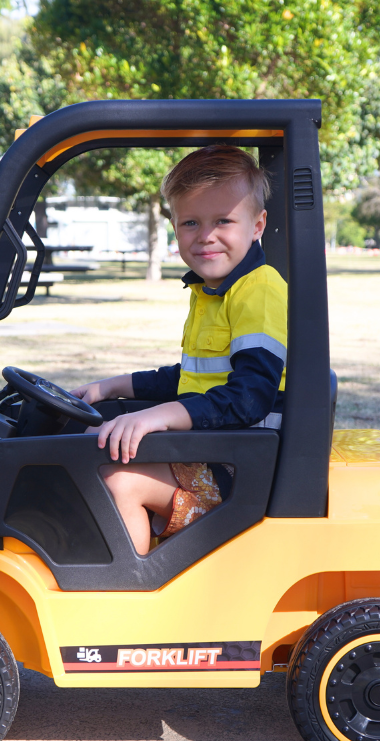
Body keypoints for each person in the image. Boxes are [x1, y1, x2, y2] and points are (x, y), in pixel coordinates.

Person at [72, 145, 287, 555]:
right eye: (191, 222)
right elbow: (193, 375)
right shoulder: (213, 291)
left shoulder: (258, 291)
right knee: (89, 441)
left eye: (223, 220)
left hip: (242, 470)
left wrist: (157, 416)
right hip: (214, 451)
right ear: (174, 226)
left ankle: (126, 595)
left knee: (118, 479)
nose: (206, 235)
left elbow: (247, 397)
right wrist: (111, 387)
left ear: (257, 224)